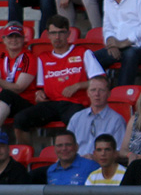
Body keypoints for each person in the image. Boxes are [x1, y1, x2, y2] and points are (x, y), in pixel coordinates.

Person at [13, 15, 106, 146]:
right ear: (48, 35)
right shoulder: (43, 58)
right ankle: (25, 154)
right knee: (20, 119)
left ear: (68, 33)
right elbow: (40, 88)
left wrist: (78, 85)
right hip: (51, 104)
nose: (57, 37)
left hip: (75, 103)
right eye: (53, 33)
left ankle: (81, 153)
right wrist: (39, 94)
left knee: (76, 120)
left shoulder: (83, 52)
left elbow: (101, 81)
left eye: (61, 32)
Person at [68, 75, 126, 157]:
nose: (97, 94)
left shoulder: (117, 120)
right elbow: (67, 146)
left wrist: (95, 158)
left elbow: (118, 152)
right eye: (93, 90)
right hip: (77, 162)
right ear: (87, 93)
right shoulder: (77, 117)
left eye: (101, 90)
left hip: (101, 163)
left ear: (109, 94)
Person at [0, 22, 37, 130]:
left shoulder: (29, 58)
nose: (14, 40)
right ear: (4, 39)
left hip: (26, 103)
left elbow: (19, 88)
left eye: (18, 37)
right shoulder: (2, 57)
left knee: (7, 94)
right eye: (10, 37)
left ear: (23, 39)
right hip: (5, 101)